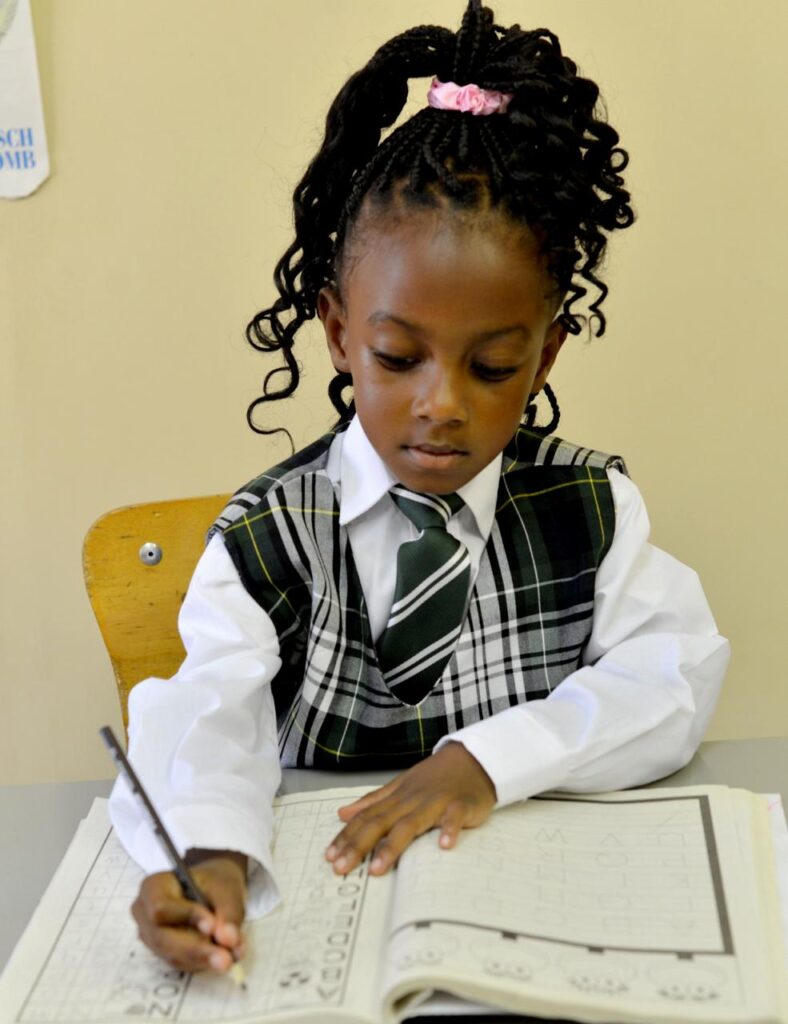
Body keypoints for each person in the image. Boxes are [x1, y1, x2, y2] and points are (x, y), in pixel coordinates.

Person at [109, 0, 729, 976]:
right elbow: (210, 712)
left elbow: (675, 675)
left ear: (544, 356)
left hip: (525, 914)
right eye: (399, 357)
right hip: (325, 913)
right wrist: (204, 851)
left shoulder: (589, 512)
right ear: (339, 333)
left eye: (492, 367)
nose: (440, 404)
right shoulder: (269, 535)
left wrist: (488, 760)